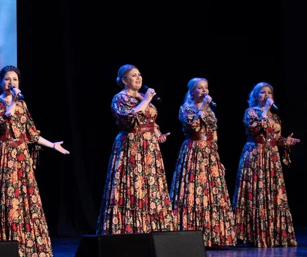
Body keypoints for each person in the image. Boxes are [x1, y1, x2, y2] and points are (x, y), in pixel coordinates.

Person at [0, 66, 69, 257]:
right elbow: (1, 125)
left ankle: (26, 246)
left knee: (23, 199)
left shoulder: (23, 106)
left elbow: (31, 134)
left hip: (21, 157)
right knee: (2, 198)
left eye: (15, 79)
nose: (11, 83)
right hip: (3, 154)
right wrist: (13, 102)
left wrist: (52, 145)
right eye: (7, 79)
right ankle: (0, 246)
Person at [97, 64, 175, 234]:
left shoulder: (141, 96)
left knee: (150, 186)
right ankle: (128, 228)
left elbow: (150, 120)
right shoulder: (120, 98)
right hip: (131, 146)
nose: (138, 78)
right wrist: (147, 100)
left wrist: (158, 134)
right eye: (133, 75)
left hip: (150, 148)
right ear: (124, 80)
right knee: (133, 185)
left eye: (139, 74)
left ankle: (151, 227)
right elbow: (128, 116)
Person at [170, 78, 235, 247]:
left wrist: (217, 158)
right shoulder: (185, 109)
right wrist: (204, 108)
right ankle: (191, 235)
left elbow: (213, 134)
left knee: (211, 192)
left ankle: (214, 236)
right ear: (192, 91)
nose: (204, 91)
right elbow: (193, 126)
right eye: (199, 88)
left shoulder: (210, 112)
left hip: (209, 153)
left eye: (206, 87)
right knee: (193, 191)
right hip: (193, 151)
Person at [232, 82, 300, 247]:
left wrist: (285, 142)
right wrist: (265, 111)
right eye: (263, 92)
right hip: (256, 154)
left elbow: (275, 138)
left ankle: (275, 234)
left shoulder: (275, 117)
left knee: (272, 193)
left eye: (269, 92)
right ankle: (254, 234)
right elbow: (255, 128)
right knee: (257, 192)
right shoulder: (250, 112)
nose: (267, 95)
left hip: (271, 157)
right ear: (255, 95)